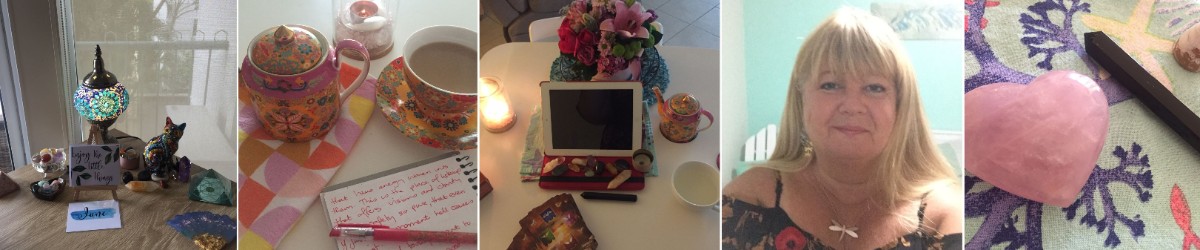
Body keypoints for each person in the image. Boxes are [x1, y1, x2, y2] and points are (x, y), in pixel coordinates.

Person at [722, 7, 963, 250]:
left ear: (901, 105)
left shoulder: (944, 217)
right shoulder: (749, 199)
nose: (852, 106)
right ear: (801, 97)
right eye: (830, 85)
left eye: (874, 87)